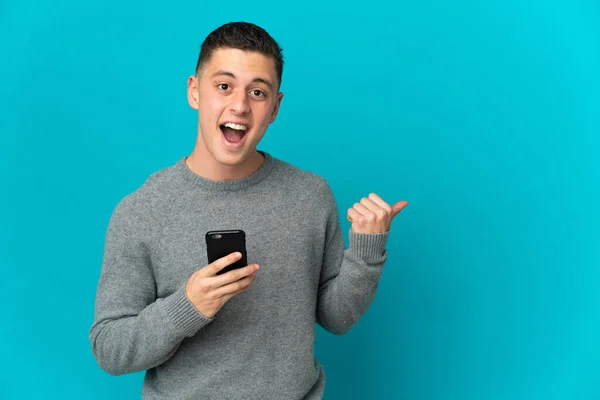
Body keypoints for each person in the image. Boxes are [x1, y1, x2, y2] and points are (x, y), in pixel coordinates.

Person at [89, 21, 408, 400]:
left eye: (258, 92)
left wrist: (367, 251)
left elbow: (336, 319)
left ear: (275, 107)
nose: (239, 105)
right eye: (223, 86)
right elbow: (109, 348)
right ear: (194, 91)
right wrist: (187, 306)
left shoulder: (310, 195)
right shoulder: (141, 211)